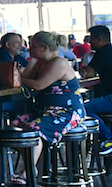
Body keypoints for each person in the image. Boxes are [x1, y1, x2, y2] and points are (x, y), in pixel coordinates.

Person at [14, 32, 86, 163]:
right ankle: (34, 168)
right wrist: (32, 61)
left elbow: (38, 84)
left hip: (66, 112)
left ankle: (29, 171)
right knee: (14, 128)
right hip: (44, 110)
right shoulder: (41, 62)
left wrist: (18, 79)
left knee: (33, 129)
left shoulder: (59, 62)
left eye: (33, 46)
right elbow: (26, 78)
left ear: (45, 48)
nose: (29, 48)